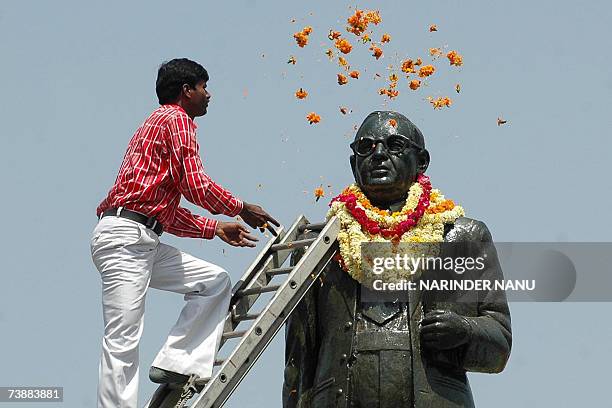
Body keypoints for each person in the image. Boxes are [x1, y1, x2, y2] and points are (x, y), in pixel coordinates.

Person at [283, 111, 511, 408]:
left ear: (422, 161)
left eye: (394, 145)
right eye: (366, 147)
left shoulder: (463, 237)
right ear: (353, 164)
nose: (379, 154)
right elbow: (297, 362)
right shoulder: (318, 247)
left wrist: (463, 330)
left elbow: (500, 343)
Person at [90, 58, 279, 408]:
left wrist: (215, 228)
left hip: (140, 236)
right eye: (204, 87)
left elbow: (165, 214)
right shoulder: (177, 120)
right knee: (123, 338)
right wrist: (241, 207)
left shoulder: (159, 123)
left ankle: (176, 363)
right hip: (126, 239)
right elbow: (195, 185)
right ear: (186, 91)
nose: (209, 95)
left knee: (214, 282)